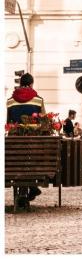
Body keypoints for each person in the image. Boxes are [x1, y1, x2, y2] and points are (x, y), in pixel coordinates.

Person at [6, 72, 46, 207]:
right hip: (33, 144)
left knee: (17, 160)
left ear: (20, 84)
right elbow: (44, 121)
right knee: (34, 158)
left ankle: (27, 190)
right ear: (31, 84)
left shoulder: (10, 101)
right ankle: (32, 186)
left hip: (15, 145)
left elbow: (8, 122)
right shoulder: (38, 100)